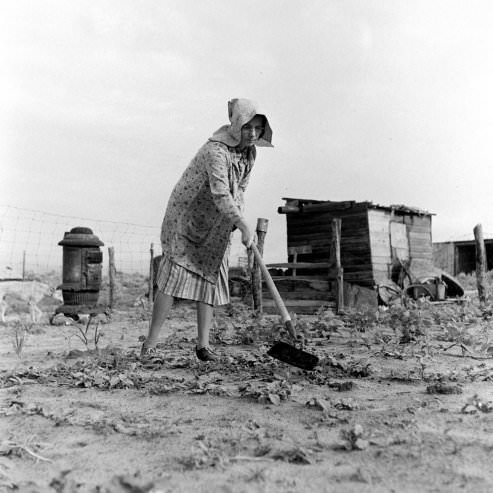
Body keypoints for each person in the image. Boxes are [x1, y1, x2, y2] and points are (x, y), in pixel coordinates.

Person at [141, 98, 273, 361]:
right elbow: (221, 192)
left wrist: (239, 221)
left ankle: (203, 346)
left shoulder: (250, 153)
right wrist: (243, 223)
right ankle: (149, 346)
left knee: (209, 277)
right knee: (172, 278)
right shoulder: (216, 151)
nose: (253, 134)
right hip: (187, 219)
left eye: (257, 129)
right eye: (248, 127)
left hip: (217, 221)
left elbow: (239, 190)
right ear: (236, 125)